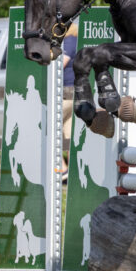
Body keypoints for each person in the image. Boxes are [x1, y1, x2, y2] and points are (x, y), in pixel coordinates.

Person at [61, 23, 78, 181]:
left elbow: (63, 61)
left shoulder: (68, 41)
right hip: (74, 92)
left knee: (47, 128)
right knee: (68, 131)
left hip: (64, 91)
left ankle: (61, 167)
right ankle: (71, 168)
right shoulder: (77, 40)